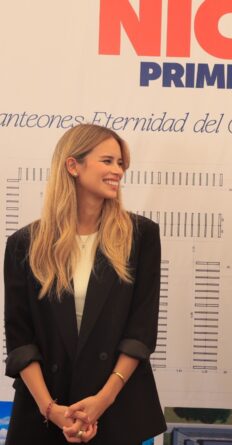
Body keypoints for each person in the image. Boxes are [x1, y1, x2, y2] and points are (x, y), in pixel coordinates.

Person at [3, 124, 166, 444]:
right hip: (44, 415)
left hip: (117, 411)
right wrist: (52, 410)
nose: (117, 171)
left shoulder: (141, 236)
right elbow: (21, 341)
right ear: (73, 166)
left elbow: (140, 332)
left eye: (120, 163)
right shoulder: (25, 244)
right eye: (107, 161)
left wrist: (102, 402)